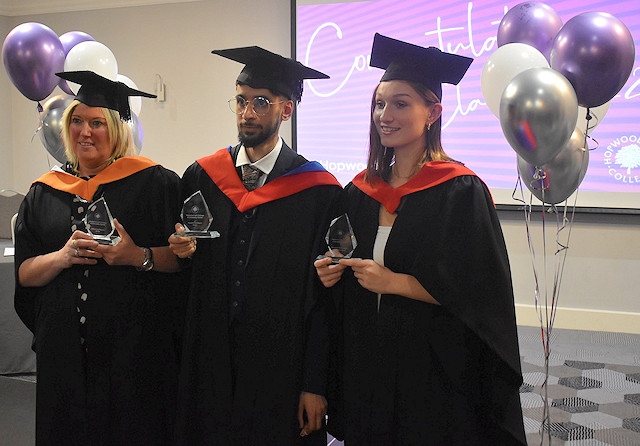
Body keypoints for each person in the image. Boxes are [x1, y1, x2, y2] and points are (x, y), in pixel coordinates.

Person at [315, 33, 527, 445]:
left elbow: (480, 291)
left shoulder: (459, 191)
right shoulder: (359, 191)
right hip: (367, 360)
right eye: (379, 103)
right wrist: (330, 271)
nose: (385, 115)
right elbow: (342, 258)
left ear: (432, 112)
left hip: (429, 365)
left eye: (400, 103)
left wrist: (393, 282)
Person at [169, 46, 343, 445]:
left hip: (280, 367)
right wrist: (183, 252)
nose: (247, 112)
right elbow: (185, 272)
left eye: (260, 102)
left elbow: (324, 299)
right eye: (241, 100)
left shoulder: (318, 193)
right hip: (211, 361)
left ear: (286, 110)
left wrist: (314, 383)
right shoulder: (202, 177)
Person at [14, 71, 184, 446]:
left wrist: (135, 255)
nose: (84, 132)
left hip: (134, 357)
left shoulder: (156, 184)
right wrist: (61, 257)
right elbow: (25, 274)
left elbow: (184, 262)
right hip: (65, 359)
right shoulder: (44, 193)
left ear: (117, 130)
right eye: (77, 121)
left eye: (97, 123)